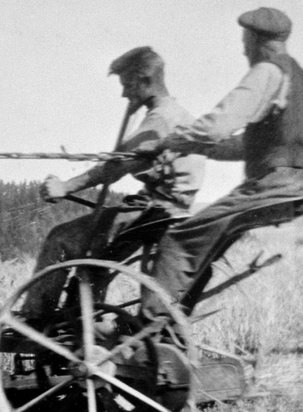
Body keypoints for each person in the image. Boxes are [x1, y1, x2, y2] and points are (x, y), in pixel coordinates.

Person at [136, 7, 303, 318]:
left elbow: (215, 126)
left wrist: (169, 142)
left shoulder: (267, 72)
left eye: (244, 40)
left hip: (271, 186)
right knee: (202, 251)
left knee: (176, 241)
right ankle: (171, 328)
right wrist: (199, 149)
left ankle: (144, 335)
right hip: (299, 187)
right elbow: (246, 146)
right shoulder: (302, 82)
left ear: (255, 39)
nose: (242, 48)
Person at [16, 46, 205, 322]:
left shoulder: (159, 120)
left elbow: (117, 166)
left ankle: (35, 318)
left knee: (61, 237)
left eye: (127, 85)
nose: (124, 94)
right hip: (169, 210)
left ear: (144, 80)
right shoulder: (179, 115)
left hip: (155, 212)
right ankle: (79, 317)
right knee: (96, 254)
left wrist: (66, 187)